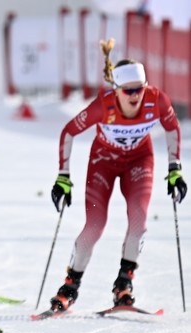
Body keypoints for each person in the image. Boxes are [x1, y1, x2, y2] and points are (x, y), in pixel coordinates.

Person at [44, 40, 184, 315]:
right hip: (103, 163)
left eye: (139, 89)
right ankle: (69, 288)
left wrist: (175, 168)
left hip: (138, 162)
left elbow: (172, 128)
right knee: (95, 225)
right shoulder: (103, 106)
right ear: (117, 90)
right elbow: (69, 132)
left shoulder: (157, 100)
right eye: (128, 90)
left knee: (138, 220)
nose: (135, 96)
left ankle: (124, 285)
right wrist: (63, 176)